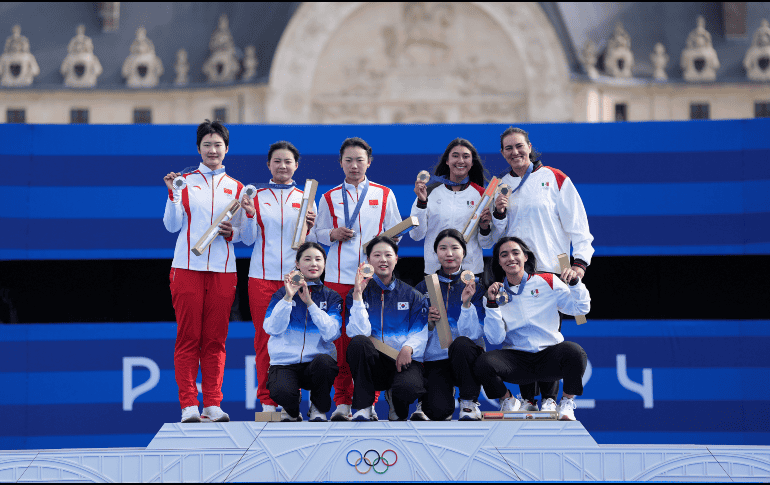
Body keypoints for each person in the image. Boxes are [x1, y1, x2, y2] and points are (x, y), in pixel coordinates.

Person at [490, 126, 594, 413]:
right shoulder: (499, 185)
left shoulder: (555, 178)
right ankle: (528, 399)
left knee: (547, 334)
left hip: (551, 268)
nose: (515, 152)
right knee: (519, 330)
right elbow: (494, 235)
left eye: (519, 146)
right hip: (515, 270)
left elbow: (579, 226)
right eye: (508, 148)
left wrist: (579, 263)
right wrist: (498, 213)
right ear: (502, 153)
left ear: (529, 146)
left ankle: (549, 397)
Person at [163, 119, 248, 423]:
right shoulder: (185, 182)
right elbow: (172, 226)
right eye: (207, 144)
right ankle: (188, 405)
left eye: (218, 145)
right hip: (187, 268)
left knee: (215, 340)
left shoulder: (237, 188)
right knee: (188, 338)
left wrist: (232, 232)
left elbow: (244, 236)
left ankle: (212, 403)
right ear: (198, 148)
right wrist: (173, 195)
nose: (213, 150)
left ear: (227, 149)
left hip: (223, 270)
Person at [313, 137, 402, 421]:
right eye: (348, 160)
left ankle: (368, 401)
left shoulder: (384, 194)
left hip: (374, 279)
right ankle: (341, 401)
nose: (354, 165)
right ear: (340, 163)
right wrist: (331, 234)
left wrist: (382, 243)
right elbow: (314, 234)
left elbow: (397, 233)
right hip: (339, 278)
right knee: (340, 343)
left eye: (359, 160)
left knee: (371, 341)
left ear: (369, 162)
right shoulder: (328, 197)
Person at [474, 237, 590, 421]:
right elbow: (495, 339)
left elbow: (581, 308)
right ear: (499, 262)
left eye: (515, 252)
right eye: (504, 255)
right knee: (483, 363)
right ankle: (509, 401)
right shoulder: (495, 293)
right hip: (518, 361)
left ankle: (566, 403)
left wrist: (575, 284)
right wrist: (492, 304)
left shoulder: (548, 280)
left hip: (549, 356)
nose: (510, 258)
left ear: (526, 257)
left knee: (575, 352)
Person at [239, 141, 317, 413]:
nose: (283, 166)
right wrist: (249, 216)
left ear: (296, 165)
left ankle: (292, 401)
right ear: (268, 165)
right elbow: (247, 240)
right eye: (277, 161)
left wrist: (310, 226)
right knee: (265, 339)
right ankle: (268, 401)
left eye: (288, 162)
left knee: (296, 339)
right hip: (261, 278)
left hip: (295, 279)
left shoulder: (306, 198)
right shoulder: (256, 196)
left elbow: (310, 244)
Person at [345, 236, 429, 421]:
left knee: (408, 389)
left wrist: (408, 348)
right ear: (368, 261)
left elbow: (421, 330)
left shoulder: (412, 295)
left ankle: (395, 400)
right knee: (358, 343)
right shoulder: (357, 294)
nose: (383, 259)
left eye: (388, 255)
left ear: (396, 259)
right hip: (374, 363)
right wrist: (358, 294)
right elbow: (358, 333)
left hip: (402, 360)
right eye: (377, 255)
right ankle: (364, 407)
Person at [262, 242, 342, 422]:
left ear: (324, 264)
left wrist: (310, 304)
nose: (313, 264)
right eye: (307, 259)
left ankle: (318, 407)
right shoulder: (281, 294)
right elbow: (272, 329)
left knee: (326, 363)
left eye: (318, 259)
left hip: (316, 364)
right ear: (297, 264)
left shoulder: (332, 297)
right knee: (282, 392)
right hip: (285, 364)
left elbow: (331, 334)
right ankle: (291, 409)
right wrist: (288, 298)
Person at [413, 229, 486, 421]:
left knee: (461, 344)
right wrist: (427, 322)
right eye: (443, 248)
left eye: (455, 248)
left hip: (466, 356)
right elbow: (413, 332)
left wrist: (466, 304)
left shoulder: (475, 286)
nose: (449, 253)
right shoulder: (423, 287)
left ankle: (469, 402)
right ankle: (431, 400)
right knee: (436, 412)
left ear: (464, 252)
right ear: (435, 253)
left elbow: (477, 332)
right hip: (435, 359)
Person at [410, 138, 494, 276]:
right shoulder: (428, 192)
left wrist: (485, 227)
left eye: (466, 156)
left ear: (472, 162)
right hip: (434, 271)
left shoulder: (481, 195)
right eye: (455, 156)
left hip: (470, 271)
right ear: (447, 161)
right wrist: (421, 203)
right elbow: (416, 235)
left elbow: (486, 244)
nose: (460, 160)